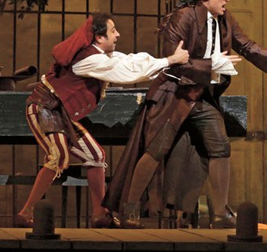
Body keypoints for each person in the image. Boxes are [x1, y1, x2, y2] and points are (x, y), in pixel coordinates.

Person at [103, 0, 267, 228]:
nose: (227, 0)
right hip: (174, 93)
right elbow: (175, 61)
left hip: (202, 96)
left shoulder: (226, 20)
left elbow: (248, 47)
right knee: (155, 150)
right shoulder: (184, 17)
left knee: (220, 147)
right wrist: (212, 64)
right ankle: (130, 210)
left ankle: (221, 213)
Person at [15, 13, 189, 228]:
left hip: (61, 113)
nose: (118, 34)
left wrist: (168, 62)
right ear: (99, 37)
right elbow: (125, 72)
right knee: (58, 156)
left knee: (96, 156)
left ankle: (100, 214)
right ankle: (26, 213)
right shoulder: (89, 59)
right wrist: (170, 60)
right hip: (43, 108)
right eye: (113, 30)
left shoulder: (101, 55)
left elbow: (130, 61)